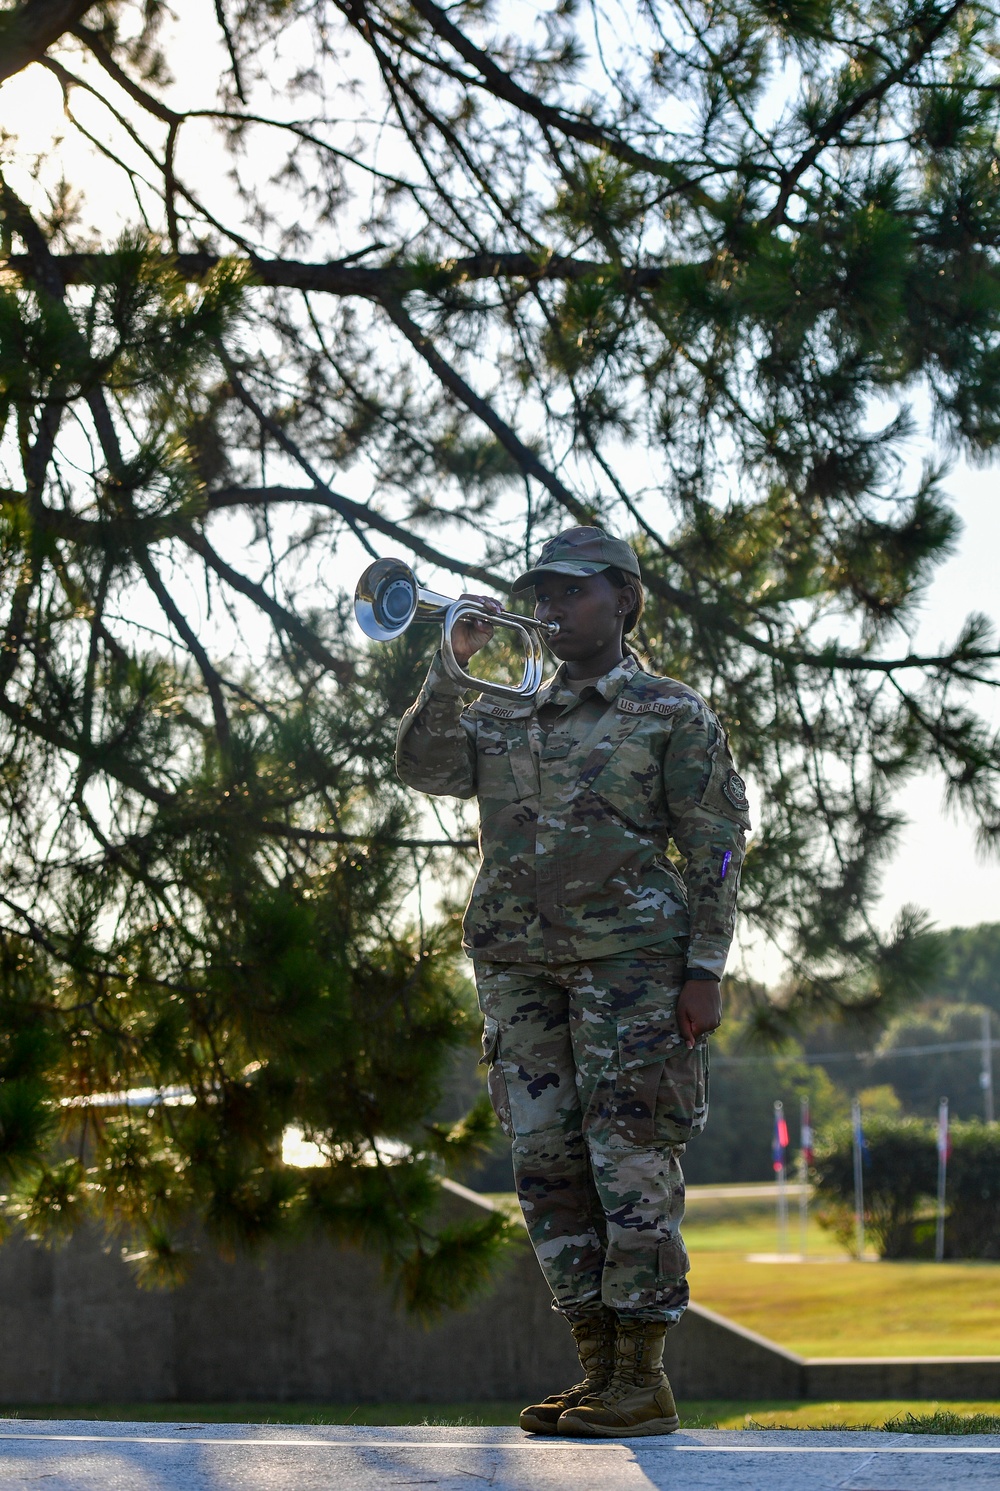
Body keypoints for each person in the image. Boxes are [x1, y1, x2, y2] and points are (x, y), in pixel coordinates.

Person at [395, 526, 750, 1437]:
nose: (550, 608)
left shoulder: (672, 711)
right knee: (547, 1168)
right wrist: (449, 663)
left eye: (572, 592)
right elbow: (421, 766)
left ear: (625, 600)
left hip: (633, 967)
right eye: (542, 593)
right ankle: (599, 1372)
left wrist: (705, 966)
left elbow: (713, 851)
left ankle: (644, 1377)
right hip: (516, 968)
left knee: (630, 1164)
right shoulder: (502, 706)